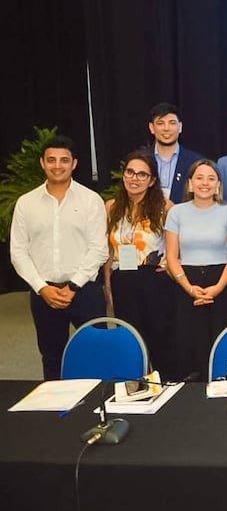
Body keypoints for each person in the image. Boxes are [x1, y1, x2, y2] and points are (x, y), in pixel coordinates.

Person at [10, 135, 109, 380]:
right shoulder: (26, 203)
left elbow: (99, 249)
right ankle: (56, 415)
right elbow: (18, 252)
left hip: (85, 291)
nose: (57, 165)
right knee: (52, 358)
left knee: (96, 354)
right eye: (51, 160)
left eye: (64, 160)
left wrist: (73, 286)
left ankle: (100, 410)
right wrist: (42, 288)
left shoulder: (90, 200)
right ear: (42, 163)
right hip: (45, 293)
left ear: (74, 164)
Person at [103, 150, 177, 379]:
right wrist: (107, 288)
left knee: (160, 344)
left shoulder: (165, 208)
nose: (134, 178)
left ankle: (166, 392)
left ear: (152, 180)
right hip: (122, 282)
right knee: (131, 343)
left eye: (142, 174)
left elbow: (179, 247)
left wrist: (173, 267)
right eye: (130, 172)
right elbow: (108, 252)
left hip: (155, 282)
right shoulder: (111, 207)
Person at [164, 159, 227, 380]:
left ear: (218, 185)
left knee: (220, 343)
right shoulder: (176, 212)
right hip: (186, 284)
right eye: (199, 178)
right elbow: (171, 257)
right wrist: (189, 288)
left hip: (222, 284)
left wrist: (217, 288)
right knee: (188, 344)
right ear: (189, 184)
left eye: (211, 178)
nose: (205, 183)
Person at [147, 102, 205, 202]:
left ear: (180, 127)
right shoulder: (140, 159)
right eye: (160, 123)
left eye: (172, 123)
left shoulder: (196, 162)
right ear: (152, 128)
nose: (166, 128)